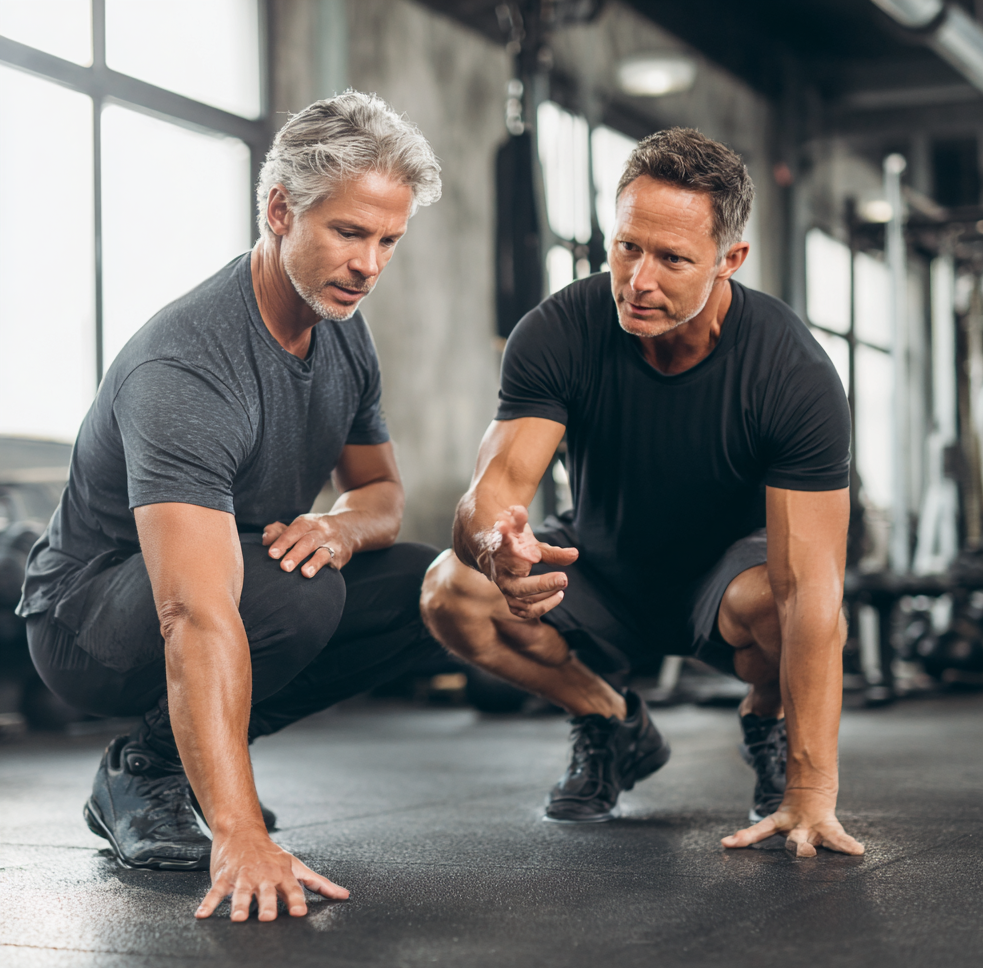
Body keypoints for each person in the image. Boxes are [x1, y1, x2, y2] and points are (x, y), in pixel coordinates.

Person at [17, 92, 446, 921]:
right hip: (86, 617)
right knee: (296, 591)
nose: (369, 264)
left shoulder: (343, 326)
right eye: (349, 233)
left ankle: (168, 760)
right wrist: (241, 831)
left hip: (226, 580)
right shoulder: (188, 364)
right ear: (281, 209)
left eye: (388, 240)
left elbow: (382, 494)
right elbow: (192, 609)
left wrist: (341, 525)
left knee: (419, 586)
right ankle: (151, 773)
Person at [421, 127, 864, 858]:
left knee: (797, 613)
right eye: (627, 247)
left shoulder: (792, 371)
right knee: (450, 590)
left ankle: (768, 724)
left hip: (723, 588)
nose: (639, 280)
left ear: (731, 260)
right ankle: (613, 722)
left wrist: (813, 794)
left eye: (673, 259)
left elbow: (811, 590)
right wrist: (494, 544)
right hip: (600, 566)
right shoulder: (561, 329)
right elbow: (492, 489)